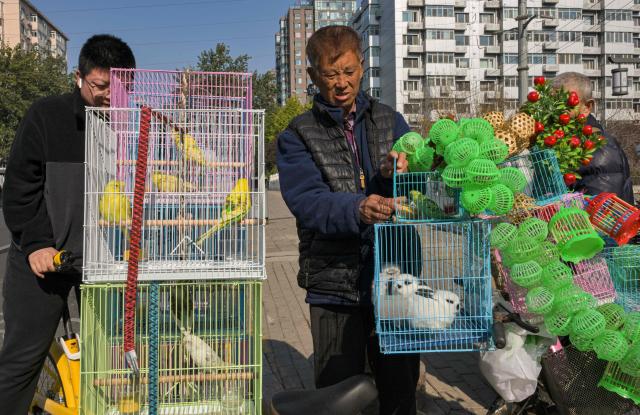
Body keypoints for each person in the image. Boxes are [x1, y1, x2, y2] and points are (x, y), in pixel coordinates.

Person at [276, 25, 421, 415]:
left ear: (362, 67)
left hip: (396, 278)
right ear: (312, 76)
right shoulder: (297, 135)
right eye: (330, 74)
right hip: (334, 286)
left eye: (349, 71)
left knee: (401, 391)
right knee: (337, 397)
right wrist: (357, 208)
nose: (341, 83)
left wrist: (401, 171)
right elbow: (308, 202)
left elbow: (421, 181)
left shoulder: (392, 122)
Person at [0, 34, 135, 413]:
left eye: (121, 88)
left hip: (101, 264)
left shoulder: (131, 128)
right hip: (44, 262)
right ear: (79, 77)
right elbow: (19, 191)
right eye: (100, 86)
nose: (110, 96)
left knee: (107, 362)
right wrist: (39, 243)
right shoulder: (47, 116)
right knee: (21, 362)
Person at [552, 72, 635, 204]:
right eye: (553, 104)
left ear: (587, 107)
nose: (557, 110)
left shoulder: (599, 149)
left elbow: (603, 212)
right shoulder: (564, 144)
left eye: (565, 103)